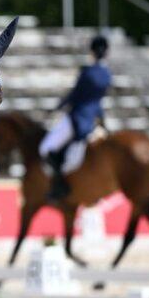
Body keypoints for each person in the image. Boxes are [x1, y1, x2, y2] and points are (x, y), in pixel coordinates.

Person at [38, 35, 112, 201]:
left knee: (46, 148)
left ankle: (59, 186)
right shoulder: (107, 74)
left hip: (77, 118)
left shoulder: (86, 71)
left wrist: (56, 108)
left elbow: (74, 96)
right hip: (94, 119)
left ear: (92, 51)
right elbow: (98, 100)